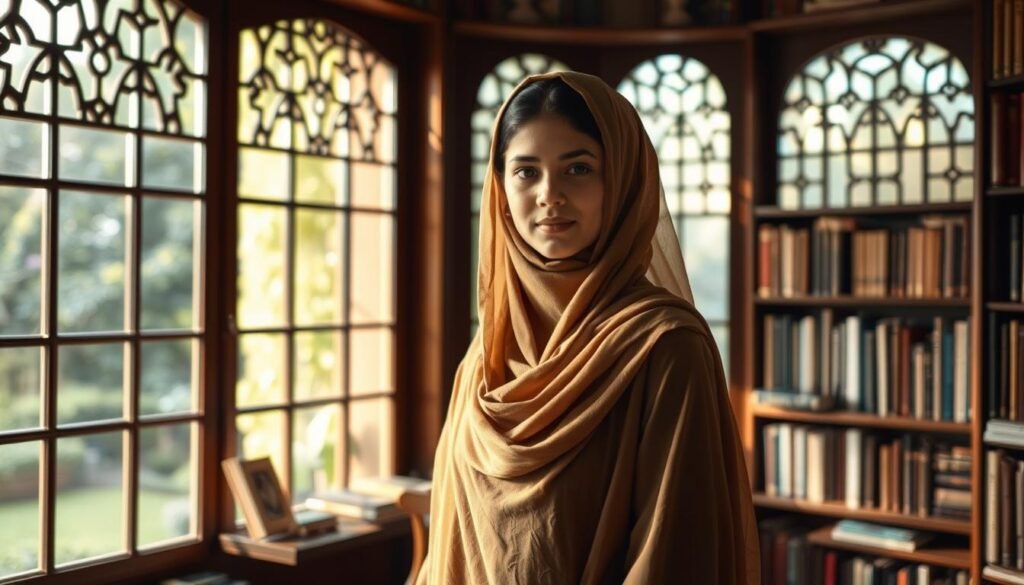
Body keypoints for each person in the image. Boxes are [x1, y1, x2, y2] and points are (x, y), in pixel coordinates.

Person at [418, 71, 759, 584]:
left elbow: (671, 557)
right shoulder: (486, 356)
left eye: (578, 168)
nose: (549, 194)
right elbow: (449, 550)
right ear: (500, 188)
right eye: (525, 171)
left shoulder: (665, 347)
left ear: (622, 181)